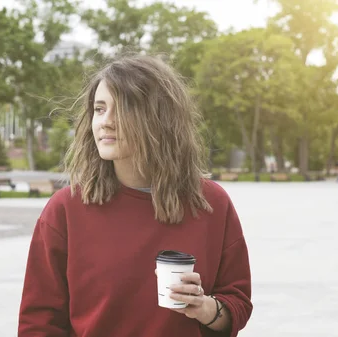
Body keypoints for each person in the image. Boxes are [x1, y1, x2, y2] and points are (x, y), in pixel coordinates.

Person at [18, 54, 253, 337]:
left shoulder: (211, 203)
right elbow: (38, 323)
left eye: (122, 109)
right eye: (99, 109)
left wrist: (203, 307)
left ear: (158, 118)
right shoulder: (65, 209)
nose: (105, 121)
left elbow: (238, 304)